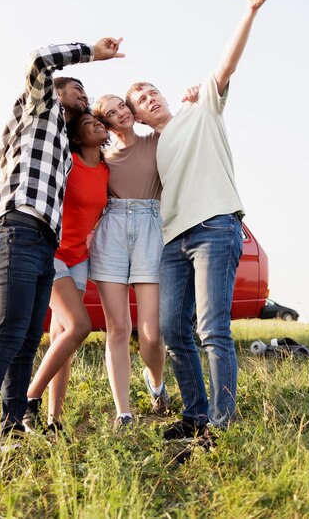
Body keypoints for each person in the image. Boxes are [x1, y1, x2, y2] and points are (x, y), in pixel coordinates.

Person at [0, 37, 123, 472]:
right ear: (57, 90)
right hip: (15, 227)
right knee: (8, 334)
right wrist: (93, 51)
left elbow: (6, 146)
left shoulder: (63, 148)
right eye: (79, 91)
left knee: (30, 338)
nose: (84, 98)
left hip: (43, 238)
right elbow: (38, 59)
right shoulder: (41, 105)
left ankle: (12, 429)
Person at [125, 0, 269, 445]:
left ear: (163, 96)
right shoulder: (148, 146)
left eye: (151, 90)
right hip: (172, 241)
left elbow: (225, 65)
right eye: (140, 100)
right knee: (171, 329)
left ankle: (220, 427)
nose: (149, 98)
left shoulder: (200, 108)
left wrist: (249, 9)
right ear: (139, 116)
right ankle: (195, 413)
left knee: (212, 329)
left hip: (213, 227)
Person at [22, 108, 109, 434]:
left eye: (98, 121)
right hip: (53, 253)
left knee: (62, 337)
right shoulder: (66, 161)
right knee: (79, 326)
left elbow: (102, 207)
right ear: (75, 136)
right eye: (88, 123)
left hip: (79, 258)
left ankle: (53, 421)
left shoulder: (105, 168)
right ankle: (28, 398)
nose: (96, 124)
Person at [89, 94, 171, 427]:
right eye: (111, 112)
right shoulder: (102, 157)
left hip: (151, 227)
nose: (121, 112)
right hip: (112, 231)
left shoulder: (155, 139)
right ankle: (123, 411)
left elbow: (177, 125)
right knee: (118, 328)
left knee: (152, 334)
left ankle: (156, 384)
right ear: (105, 123)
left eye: (122, 106)